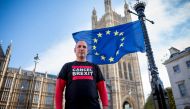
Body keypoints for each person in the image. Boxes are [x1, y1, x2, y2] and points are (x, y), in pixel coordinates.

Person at [55, 40, 108, 109]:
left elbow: (102, 89)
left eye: (84, 47)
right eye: (79, 46)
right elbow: (59, 89)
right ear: (75, 50)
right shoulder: (67, 66)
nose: (81, 48)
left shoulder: (95, 67)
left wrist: (105, 106)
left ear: (87, 51)